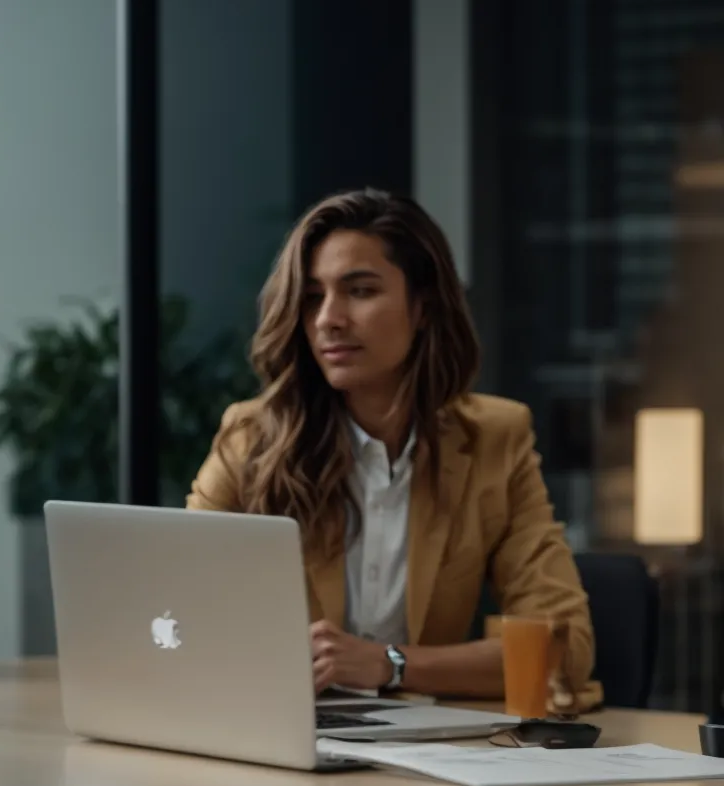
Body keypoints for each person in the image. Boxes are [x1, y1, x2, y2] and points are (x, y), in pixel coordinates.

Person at [187, 188, 597, 706]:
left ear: (422, 307)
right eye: (313, 296)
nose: (327, 319)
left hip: (427, 749)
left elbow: (561, 645)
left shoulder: (496, 439)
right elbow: (178, 614)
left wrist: (389, 664)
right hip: (282, 730)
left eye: (359, 291)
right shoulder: (252, 440)